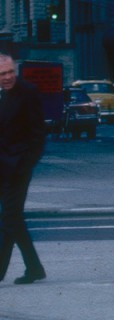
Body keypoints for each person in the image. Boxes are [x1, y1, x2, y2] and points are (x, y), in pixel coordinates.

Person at [0, 50, 48, 285]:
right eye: (2, 74)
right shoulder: (1, 94)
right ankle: (34, 268)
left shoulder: (28, 93)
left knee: (8, 218)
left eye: (10, 72)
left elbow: (38, 137)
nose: (7, 77)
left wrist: (25, 165)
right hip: (1, 169)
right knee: (13, 219)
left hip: (17, 169)